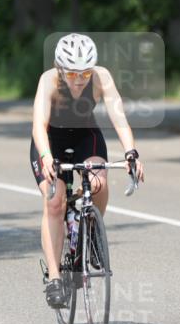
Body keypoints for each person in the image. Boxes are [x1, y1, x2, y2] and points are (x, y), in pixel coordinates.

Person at [31, 33, 146, 308]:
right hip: (51, 139)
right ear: (60, 69)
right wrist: (46, 157)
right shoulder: (49, 81)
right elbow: (38, 125)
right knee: (55, 201)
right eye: (72, 74)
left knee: (98, 182)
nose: (80, 79)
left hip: (85, 134)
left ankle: (92, 230)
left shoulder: (101, 77)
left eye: (84, 72)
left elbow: (119, 117)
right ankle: (56, 278)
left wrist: (131, 153)